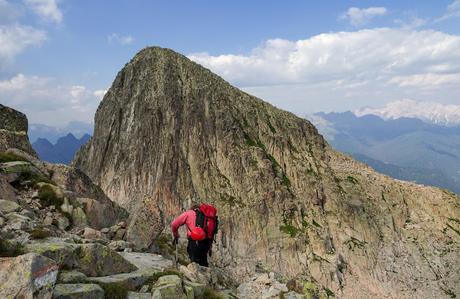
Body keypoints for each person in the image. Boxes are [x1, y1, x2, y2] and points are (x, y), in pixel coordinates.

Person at [171, 203, 218, 267]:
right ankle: (205, 275)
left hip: (194, 240)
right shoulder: (207, 216)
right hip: (206, 242)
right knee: (203, 261)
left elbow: (174, 224)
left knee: (194, 262)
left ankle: (195, 275)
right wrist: (210, 247)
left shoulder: (189, 213)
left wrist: (176, 234)